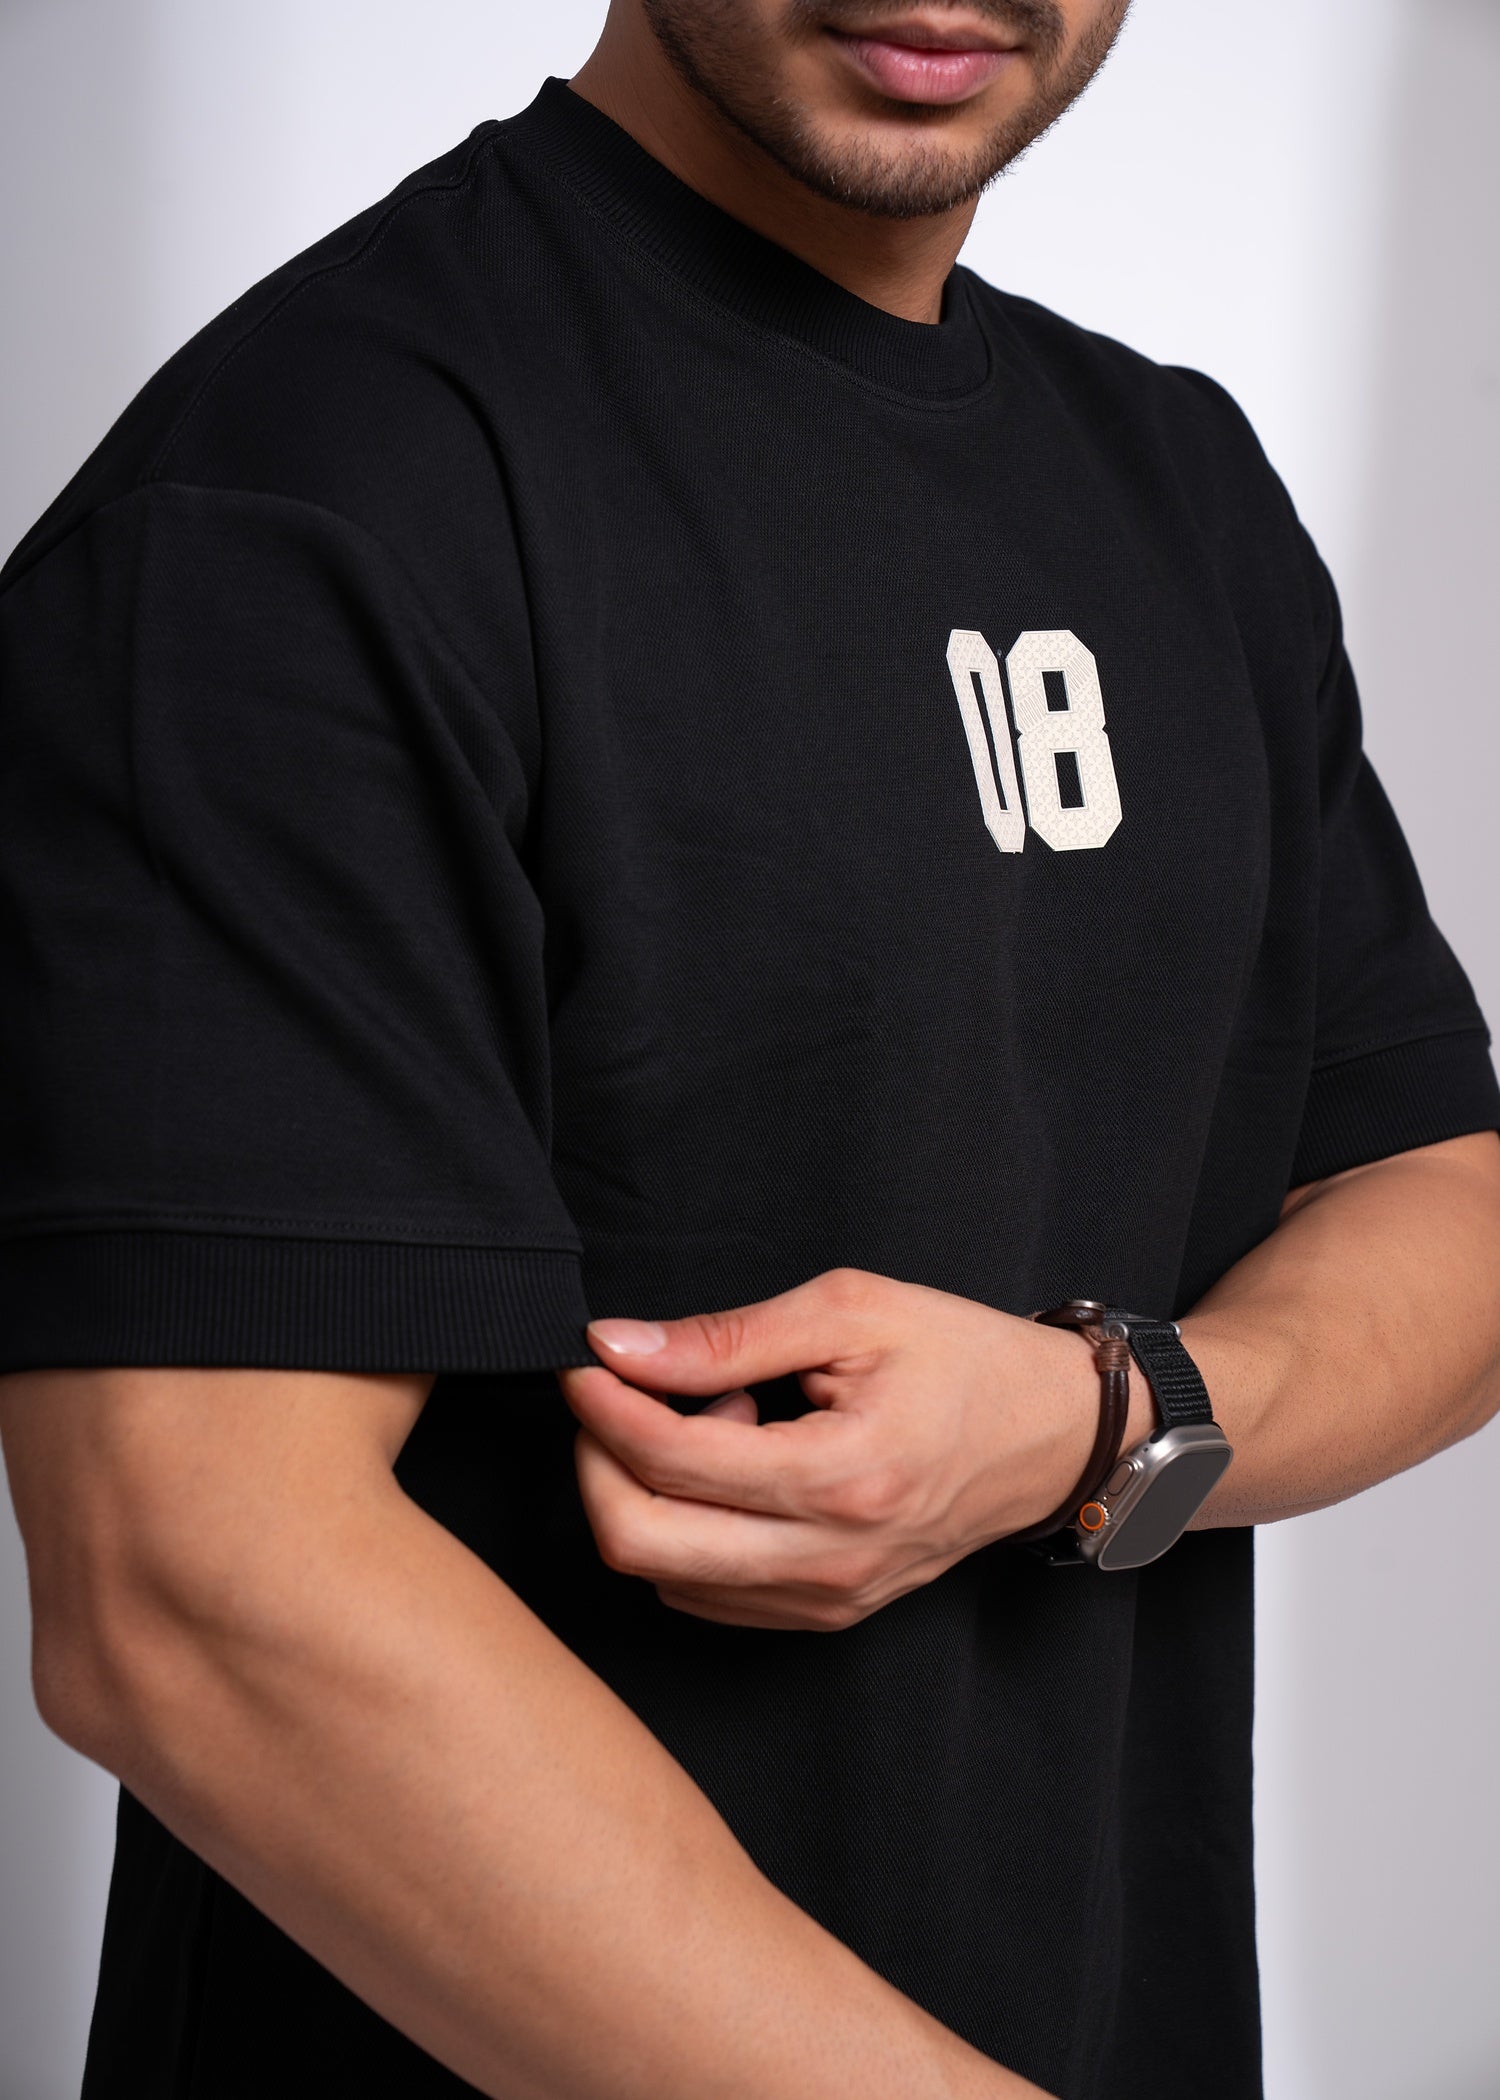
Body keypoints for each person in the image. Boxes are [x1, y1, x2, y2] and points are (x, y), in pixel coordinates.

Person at [2, 1, 1498, 2095]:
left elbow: (1440, 1191)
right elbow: (191, 1599)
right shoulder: (306, 486)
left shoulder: (1179, 485)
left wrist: (1090, 1422)